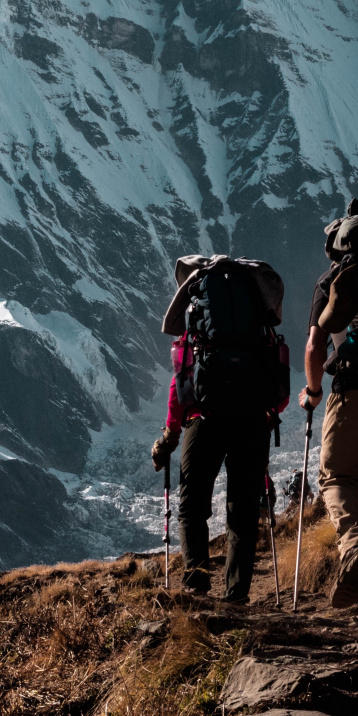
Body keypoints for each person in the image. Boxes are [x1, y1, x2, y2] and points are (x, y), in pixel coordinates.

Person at [152, 254, 287, 603]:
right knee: (242, 510)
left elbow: (180, 381)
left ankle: (196, 586)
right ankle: (236, 595)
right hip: (253, 419)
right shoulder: (256, 324)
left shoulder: (198, 324)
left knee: (192, 506)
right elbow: (276, 375)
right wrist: (266, 412)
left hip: (205, 419)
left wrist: (170, 434)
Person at [299, 200, 358, 608]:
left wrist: (315, 391)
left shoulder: (333, 280)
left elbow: (315, 345)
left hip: (353, 387)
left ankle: (355, 548)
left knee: (335, 476)